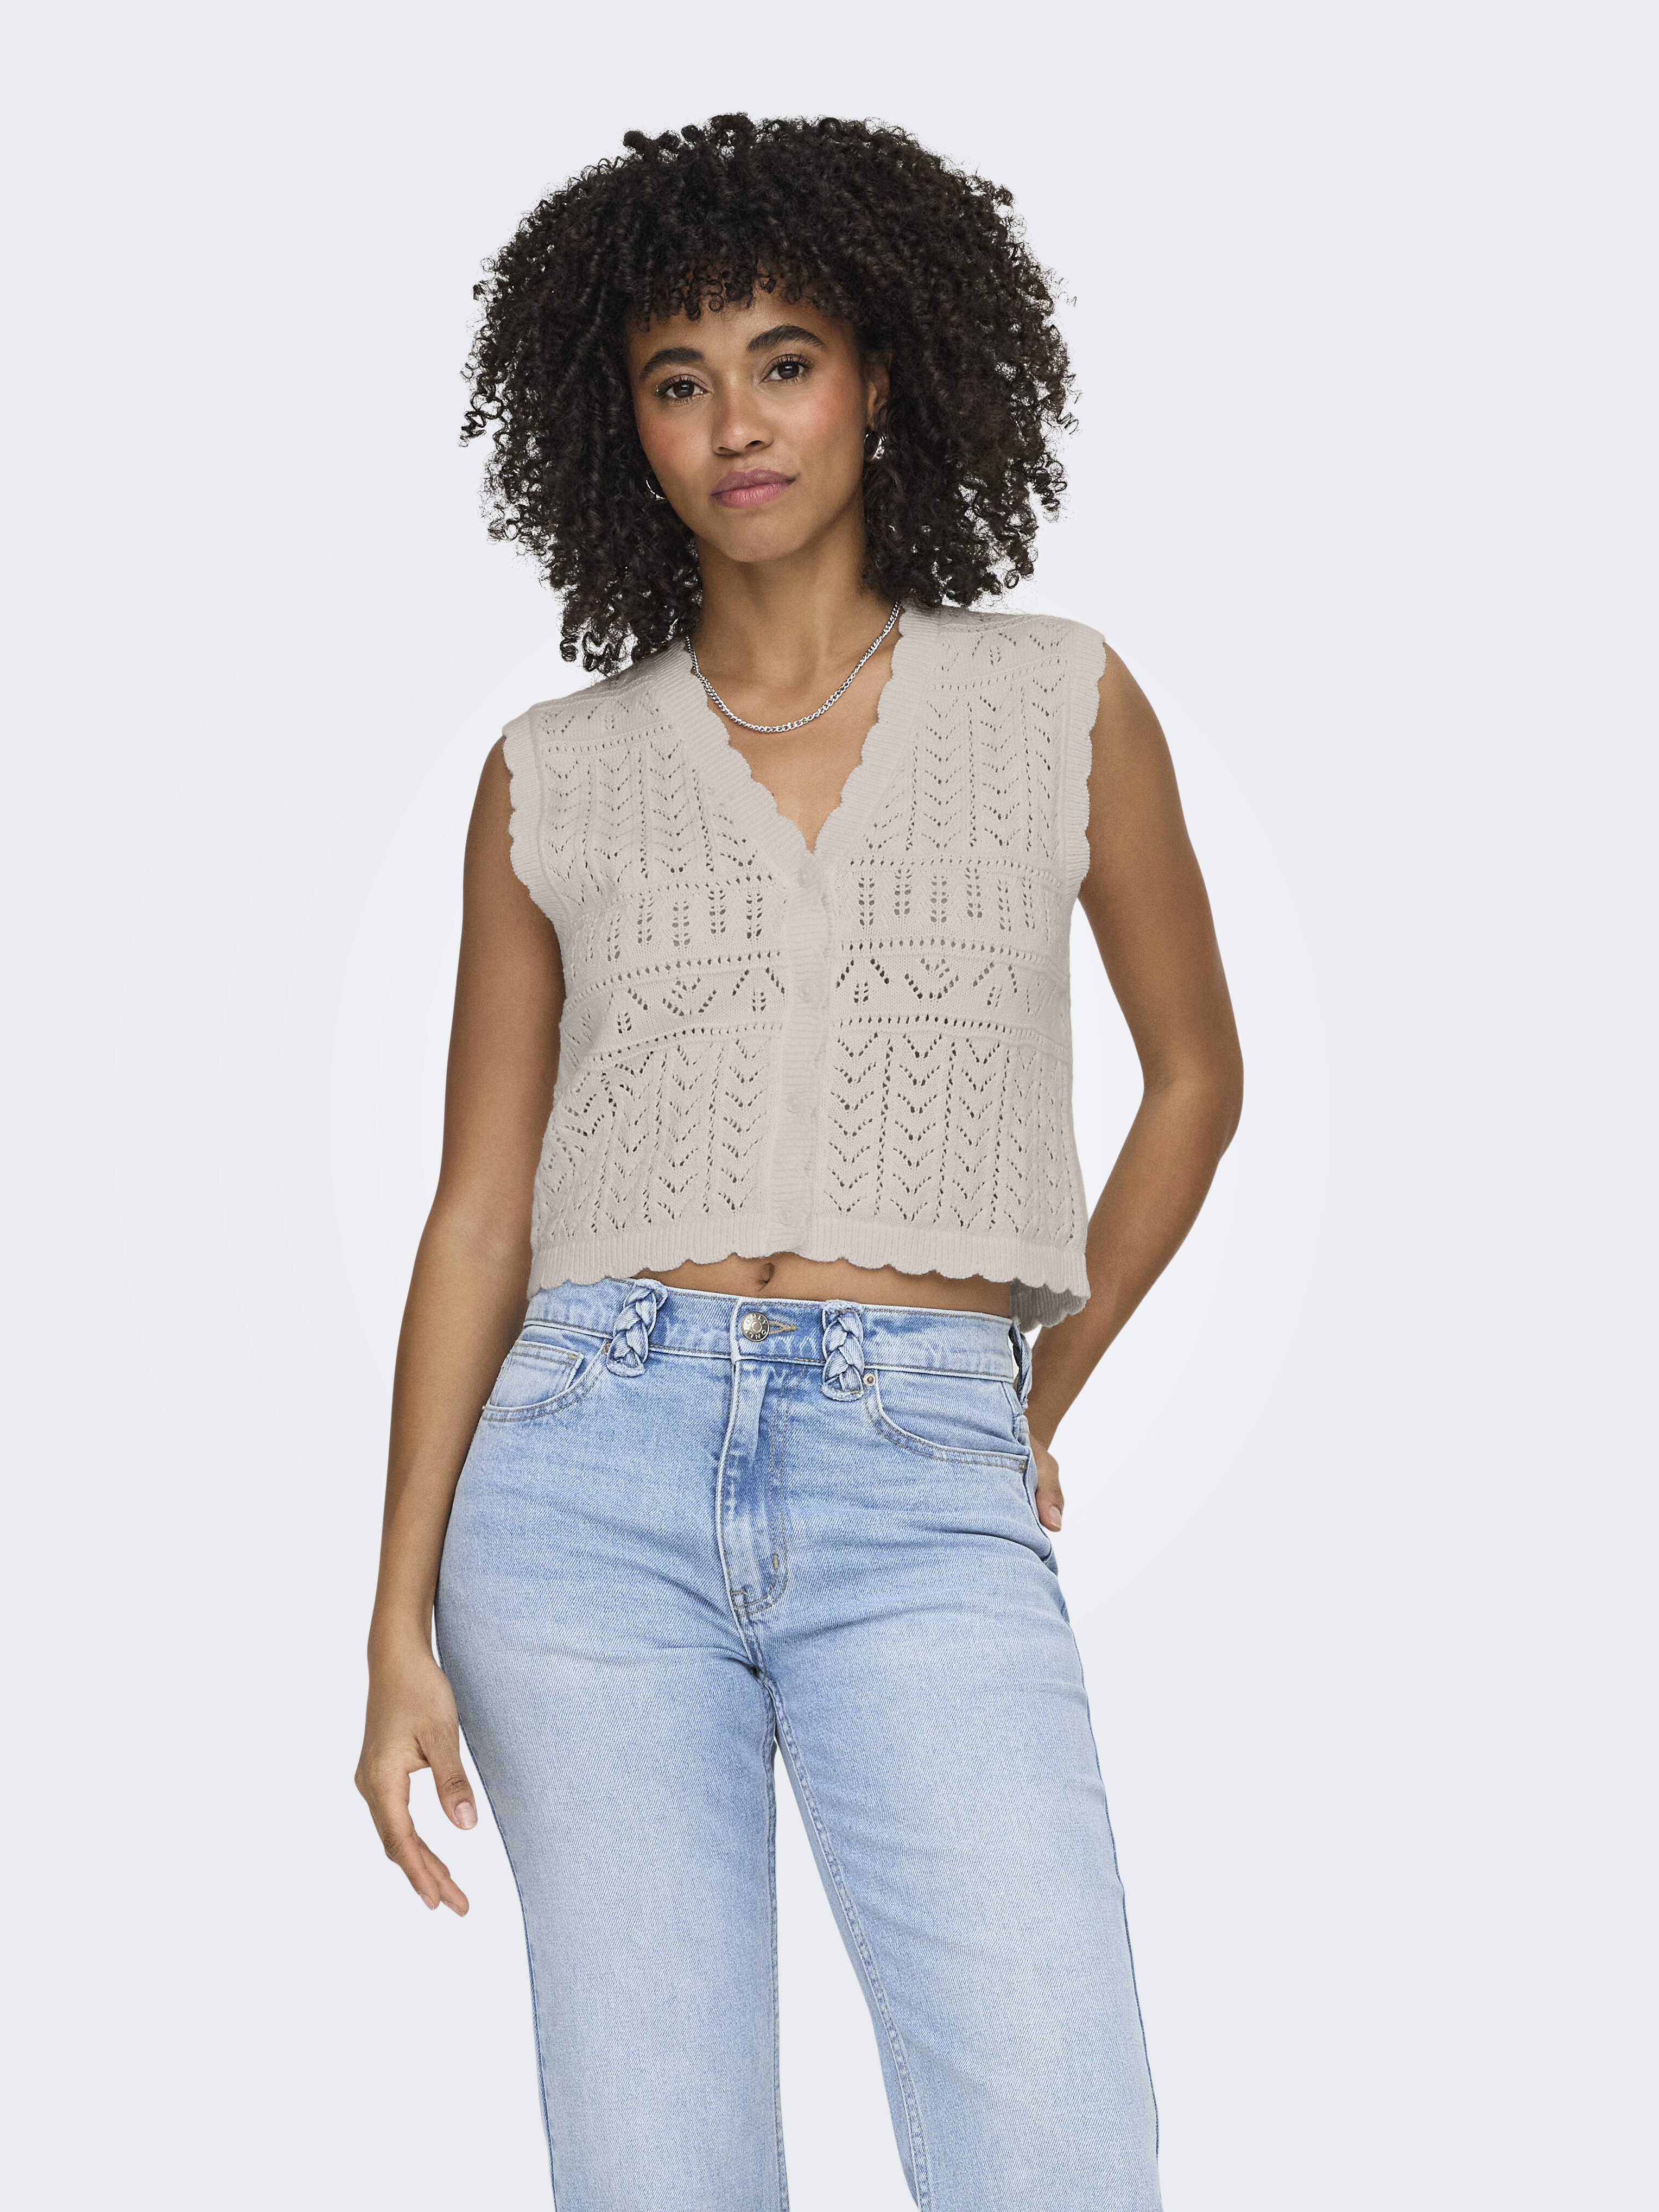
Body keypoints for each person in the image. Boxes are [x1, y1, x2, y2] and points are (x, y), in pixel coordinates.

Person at [355, 112, 1242, 2212]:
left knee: (1059, 2150)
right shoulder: (549, 773)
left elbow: (1197, 1078)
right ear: (625, 430)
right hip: (577, 1487)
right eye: (679, 379)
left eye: (783, 360)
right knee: (660, 2172)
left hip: (918, 1468)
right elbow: (479, 1211)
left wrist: (1028, 1394)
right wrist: (394, 1618)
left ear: (882, 377)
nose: (736, 421)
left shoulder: (1059, 700)